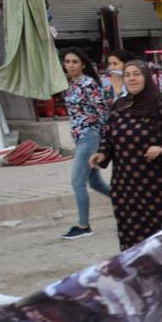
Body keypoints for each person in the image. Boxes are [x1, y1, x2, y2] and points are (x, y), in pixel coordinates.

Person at [89, 59, 162, 250]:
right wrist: (102, 154)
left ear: (146, 77)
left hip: (159, 188)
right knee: (134, 243)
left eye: (136, 74)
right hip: (126, 190)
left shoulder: (161, 106)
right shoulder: (119, 107)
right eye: (127, 75)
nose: (131, 78)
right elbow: (108, 135)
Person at [60, 47, 112, 239]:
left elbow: (102, 111)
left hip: (90, 138)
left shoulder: (88, 83)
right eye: (67, 62)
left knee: (77, 182)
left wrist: (106, 139)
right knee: (95, 182)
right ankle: (129, 204)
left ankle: (83, 226)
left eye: (75, 62)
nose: (71, 65)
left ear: (83, 64)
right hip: (81, 138)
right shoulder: (72, 84)